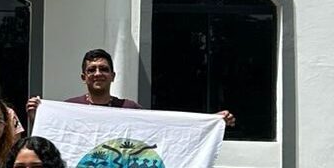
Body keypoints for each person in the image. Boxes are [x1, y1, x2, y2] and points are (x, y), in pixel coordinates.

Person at [26, 48, 235, 126]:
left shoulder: (129, 109)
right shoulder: (69, 108)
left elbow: (165, 127)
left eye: (103, 69)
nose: (98, 73)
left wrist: (211, 122)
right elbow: (50, 139)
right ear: (84, 76)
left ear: (113, 75)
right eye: (92, 70)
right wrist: (38, 117)